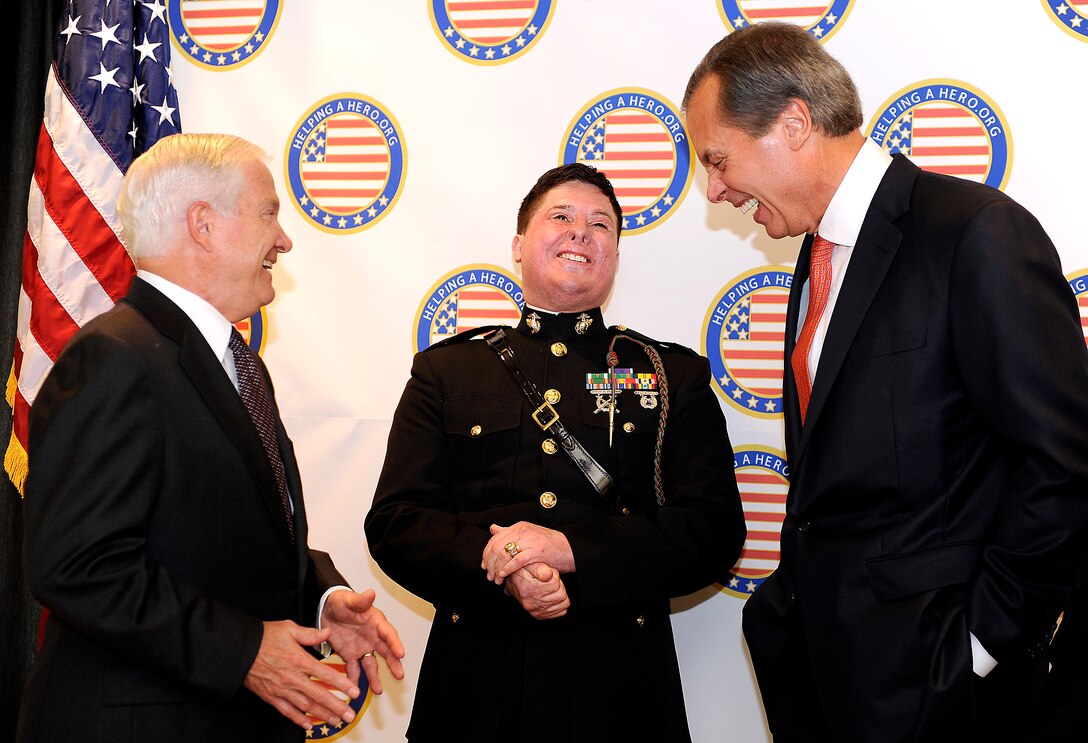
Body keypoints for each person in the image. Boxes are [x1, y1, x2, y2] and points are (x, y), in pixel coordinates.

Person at [682, 22, 1088, 743]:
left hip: (945, 690)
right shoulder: (815, 259)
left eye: (718, 160)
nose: (714, 190)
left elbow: (1063, 462)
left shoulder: (975, 233)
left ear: (794, 123)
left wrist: (976, 650)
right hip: (835, 682)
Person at [17, 133, 405, 743]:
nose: (284, 239)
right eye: (269, 213)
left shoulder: (235, 363)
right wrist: (246, 649)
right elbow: (78, 566)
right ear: (202, 224)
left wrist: (324, 599)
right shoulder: (114, 359)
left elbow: (216, 542)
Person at [364, 163, 746, 743]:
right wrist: (503, 565)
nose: (580, 232)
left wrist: (570, 551)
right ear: (519, 244)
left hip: (619, 689)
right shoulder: (448, 370)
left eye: (601, 225)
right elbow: (397, 522)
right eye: (560, 217)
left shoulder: (672, 375)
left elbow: (713, 532)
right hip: (475, 687)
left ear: (615, 256)